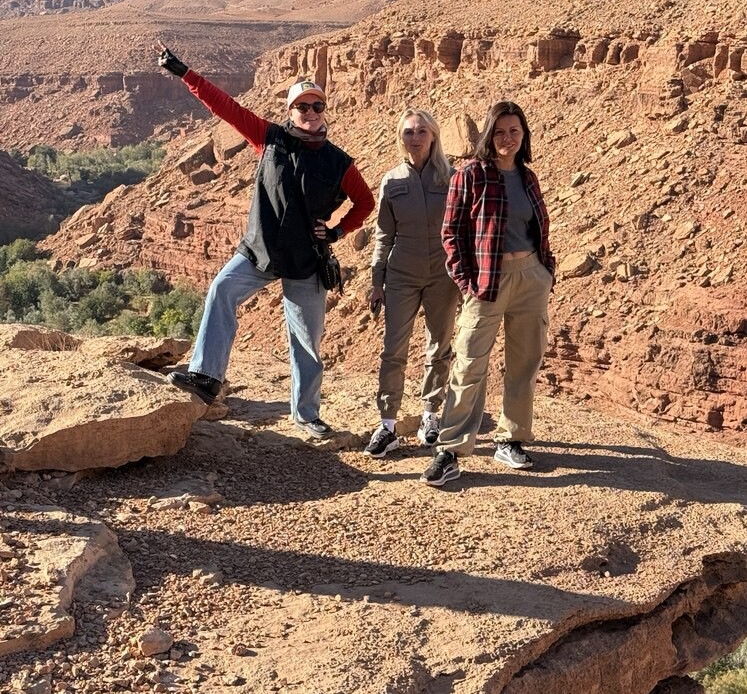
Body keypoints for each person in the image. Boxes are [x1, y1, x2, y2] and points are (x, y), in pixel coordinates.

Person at [157, 46, 374, 438]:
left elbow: (366, 202)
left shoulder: (339, 162)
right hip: (261, 250)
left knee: (306, 341)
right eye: (302, 106)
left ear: (324, 111)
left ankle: (306, 415)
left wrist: (338, 232)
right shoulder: (270, 138)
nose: (310, 112)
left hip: (306, 259)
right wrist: (185, 74)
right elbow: (227, 107)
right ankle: (206, 377)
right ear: (290, 111)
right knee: (221, 289)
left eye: (317, 106)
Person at [421, 100, 555, 487]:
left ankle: (510, 439)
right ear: (488, 135)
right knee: (468, 363)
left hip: (530, 277)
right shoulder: (471, 175)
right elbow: (451, 233)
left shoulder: (528, 177)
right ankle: (451, 449)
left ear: (524, 135)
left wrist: (545, 271)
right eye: (499, 132)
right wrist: (467, 282)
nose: (507, 138)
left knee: (525, 363)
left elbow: (538, 228)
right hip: (486, 281)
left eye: (514, 131)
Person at [365, 109, 459, 457]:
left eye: (421, 131)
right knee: (393, 350)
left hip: (442, 275)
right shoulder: (391, 181)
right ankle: (387, 425)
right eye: (408, 132)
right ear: (400, 137)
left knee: (439, 347)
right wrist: (377, 280)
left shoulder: (451, 178)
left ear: (433, 135)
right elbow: (383, 235)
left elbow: (462, 230)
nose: (415, 138)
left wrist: (465, 274)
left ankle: (430, 416)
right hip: (401, 273)